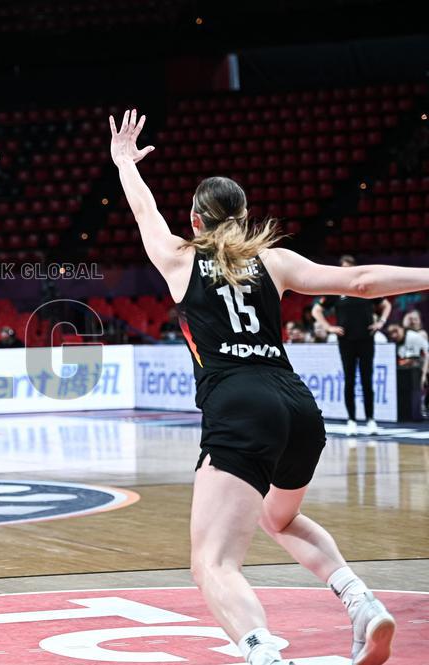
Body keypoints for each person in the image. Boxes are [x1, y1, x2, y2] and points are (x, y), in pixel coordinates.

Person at [109, 109, 428, 665]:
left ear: (196, 220)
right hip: (296, 405)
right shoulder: (273, 260)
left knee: (212, 562)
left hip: (239, 404)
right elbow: (360, 282)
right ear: (244, 216)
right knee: (277, 518)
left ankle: (261, 654)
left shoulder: (178, 258)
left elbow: (143, 208)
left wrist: (123, 163)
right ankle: (362, 602)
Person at [311, 256, 391, 436]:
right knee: (349, 379)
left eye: (349, 267)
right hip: (346, 341)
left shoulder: (366, 289)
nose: (345, 270)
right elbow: (316, 310)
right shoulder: (336, 290)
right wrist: (328, 327)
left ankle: (370, 420)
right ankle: (352, 420)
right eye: (343, 268)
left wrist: (382, 322)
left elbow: (386, 305)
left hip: (366, 338)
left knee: (367, 379)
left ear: (355, 269)